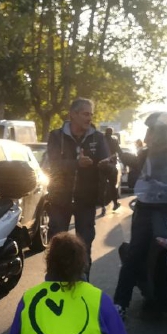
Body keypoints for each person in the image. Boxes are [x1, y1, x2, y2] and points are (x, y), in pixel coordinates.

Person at [111, 113, 167, 319]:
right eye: (150, 131)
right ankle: (120, 304)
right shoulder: (146, 154)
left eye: (153, 130)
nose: (150, 135)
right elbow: (136, 167)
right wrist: (118, 150)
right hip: (148, 209)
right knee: (135, 253)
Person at [44, 98, 111, 277]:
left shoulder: (98, 137)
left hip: (86, 201)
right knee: (56, 247)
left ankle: (83, 288)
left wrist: (107, 164)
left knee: (84, 247)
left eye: (91, 114)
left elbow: (105, 161)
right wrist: (76, 164)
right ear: (72, 114)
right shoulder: (56, 136)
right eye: (85, 114)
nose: (89, 118)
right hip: (59, 200)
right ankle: (53, 285)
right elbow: (54, 164)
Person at [102, 127, 122, 215]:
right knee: (112, 185)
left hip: (101, 165)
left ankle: (102, 206)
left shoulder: (101, 140)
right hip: (111, 165)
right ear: (112, 133)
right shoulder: (114, 141)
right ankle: (115, 203)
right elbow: (120, 151)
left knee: (101, 186)